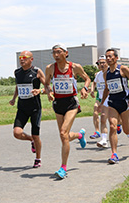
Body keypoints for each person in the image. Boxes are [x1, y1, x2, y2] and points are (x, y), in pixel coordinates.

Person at [44, 44, 91, 179]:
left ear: (66, 53)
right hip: (58, 103)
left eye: (59, 52)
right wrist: (49, 92)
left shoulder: (75, 67)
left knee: (63, 132)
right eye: (53, 53)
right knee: (64, 136)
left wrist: (85, 89)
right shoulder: (50, 68)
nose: (56, 55)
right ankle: (79, 135)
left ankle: (63, 168)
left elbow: (87, 78)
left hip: (71, 103)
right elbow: (46, 83)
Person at [98, 48, 129, 164]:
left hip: (124, 102)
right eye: (107, 56)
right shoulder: (106, 74)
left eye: (110, 56)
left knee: (126, 131)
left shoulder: (123, 69)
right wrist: (101, 104)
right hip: (112, 103)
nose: (108, 58)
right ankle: (114, 154)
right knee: (112, 126)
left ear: (116, 58)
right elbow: (107, 88)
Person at [9, 50, 47, 168]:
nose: (22, 59)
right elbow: (18, 86)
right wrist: (14, 98)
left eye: (25, 57)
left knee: (36, 135)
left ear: (31, 59)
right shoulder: (17, 72)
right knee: (17, 133)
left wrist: (40, 91)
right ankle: (31, 140)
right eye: (20, 57)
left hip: (35, 107)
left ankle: (38, 158)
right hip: (22, 107)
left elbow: (47, 87)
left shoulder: (37, 71)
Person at [90, 55, 109, 148]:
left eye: (103, 62)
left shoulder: (110, 73)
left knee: (117, 121)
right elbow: (94, 82)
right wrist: (92, 90)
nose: (101, 65)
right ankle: (99, 133)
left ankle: (125, 125)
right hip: (101, 98)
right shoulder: (98, 74)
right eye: (99, 63)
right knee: (97, 112)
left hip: (110, 98)